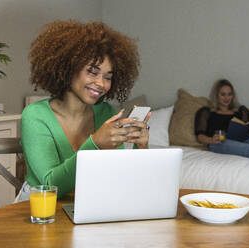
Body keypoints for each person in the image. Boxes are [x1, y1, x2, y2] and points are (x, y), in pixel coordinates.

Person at [15, 20, 150, 201]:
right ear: (68, 68)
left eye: (108, 77)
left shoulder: (105, 113)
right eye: (93, 72)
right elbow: (50, 186)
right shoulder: (35, 116)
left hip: (88, 202)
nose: (101, 84)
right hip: (39, 209)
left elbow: (120, 176)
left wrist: (140, 147)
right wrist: (95, 143)